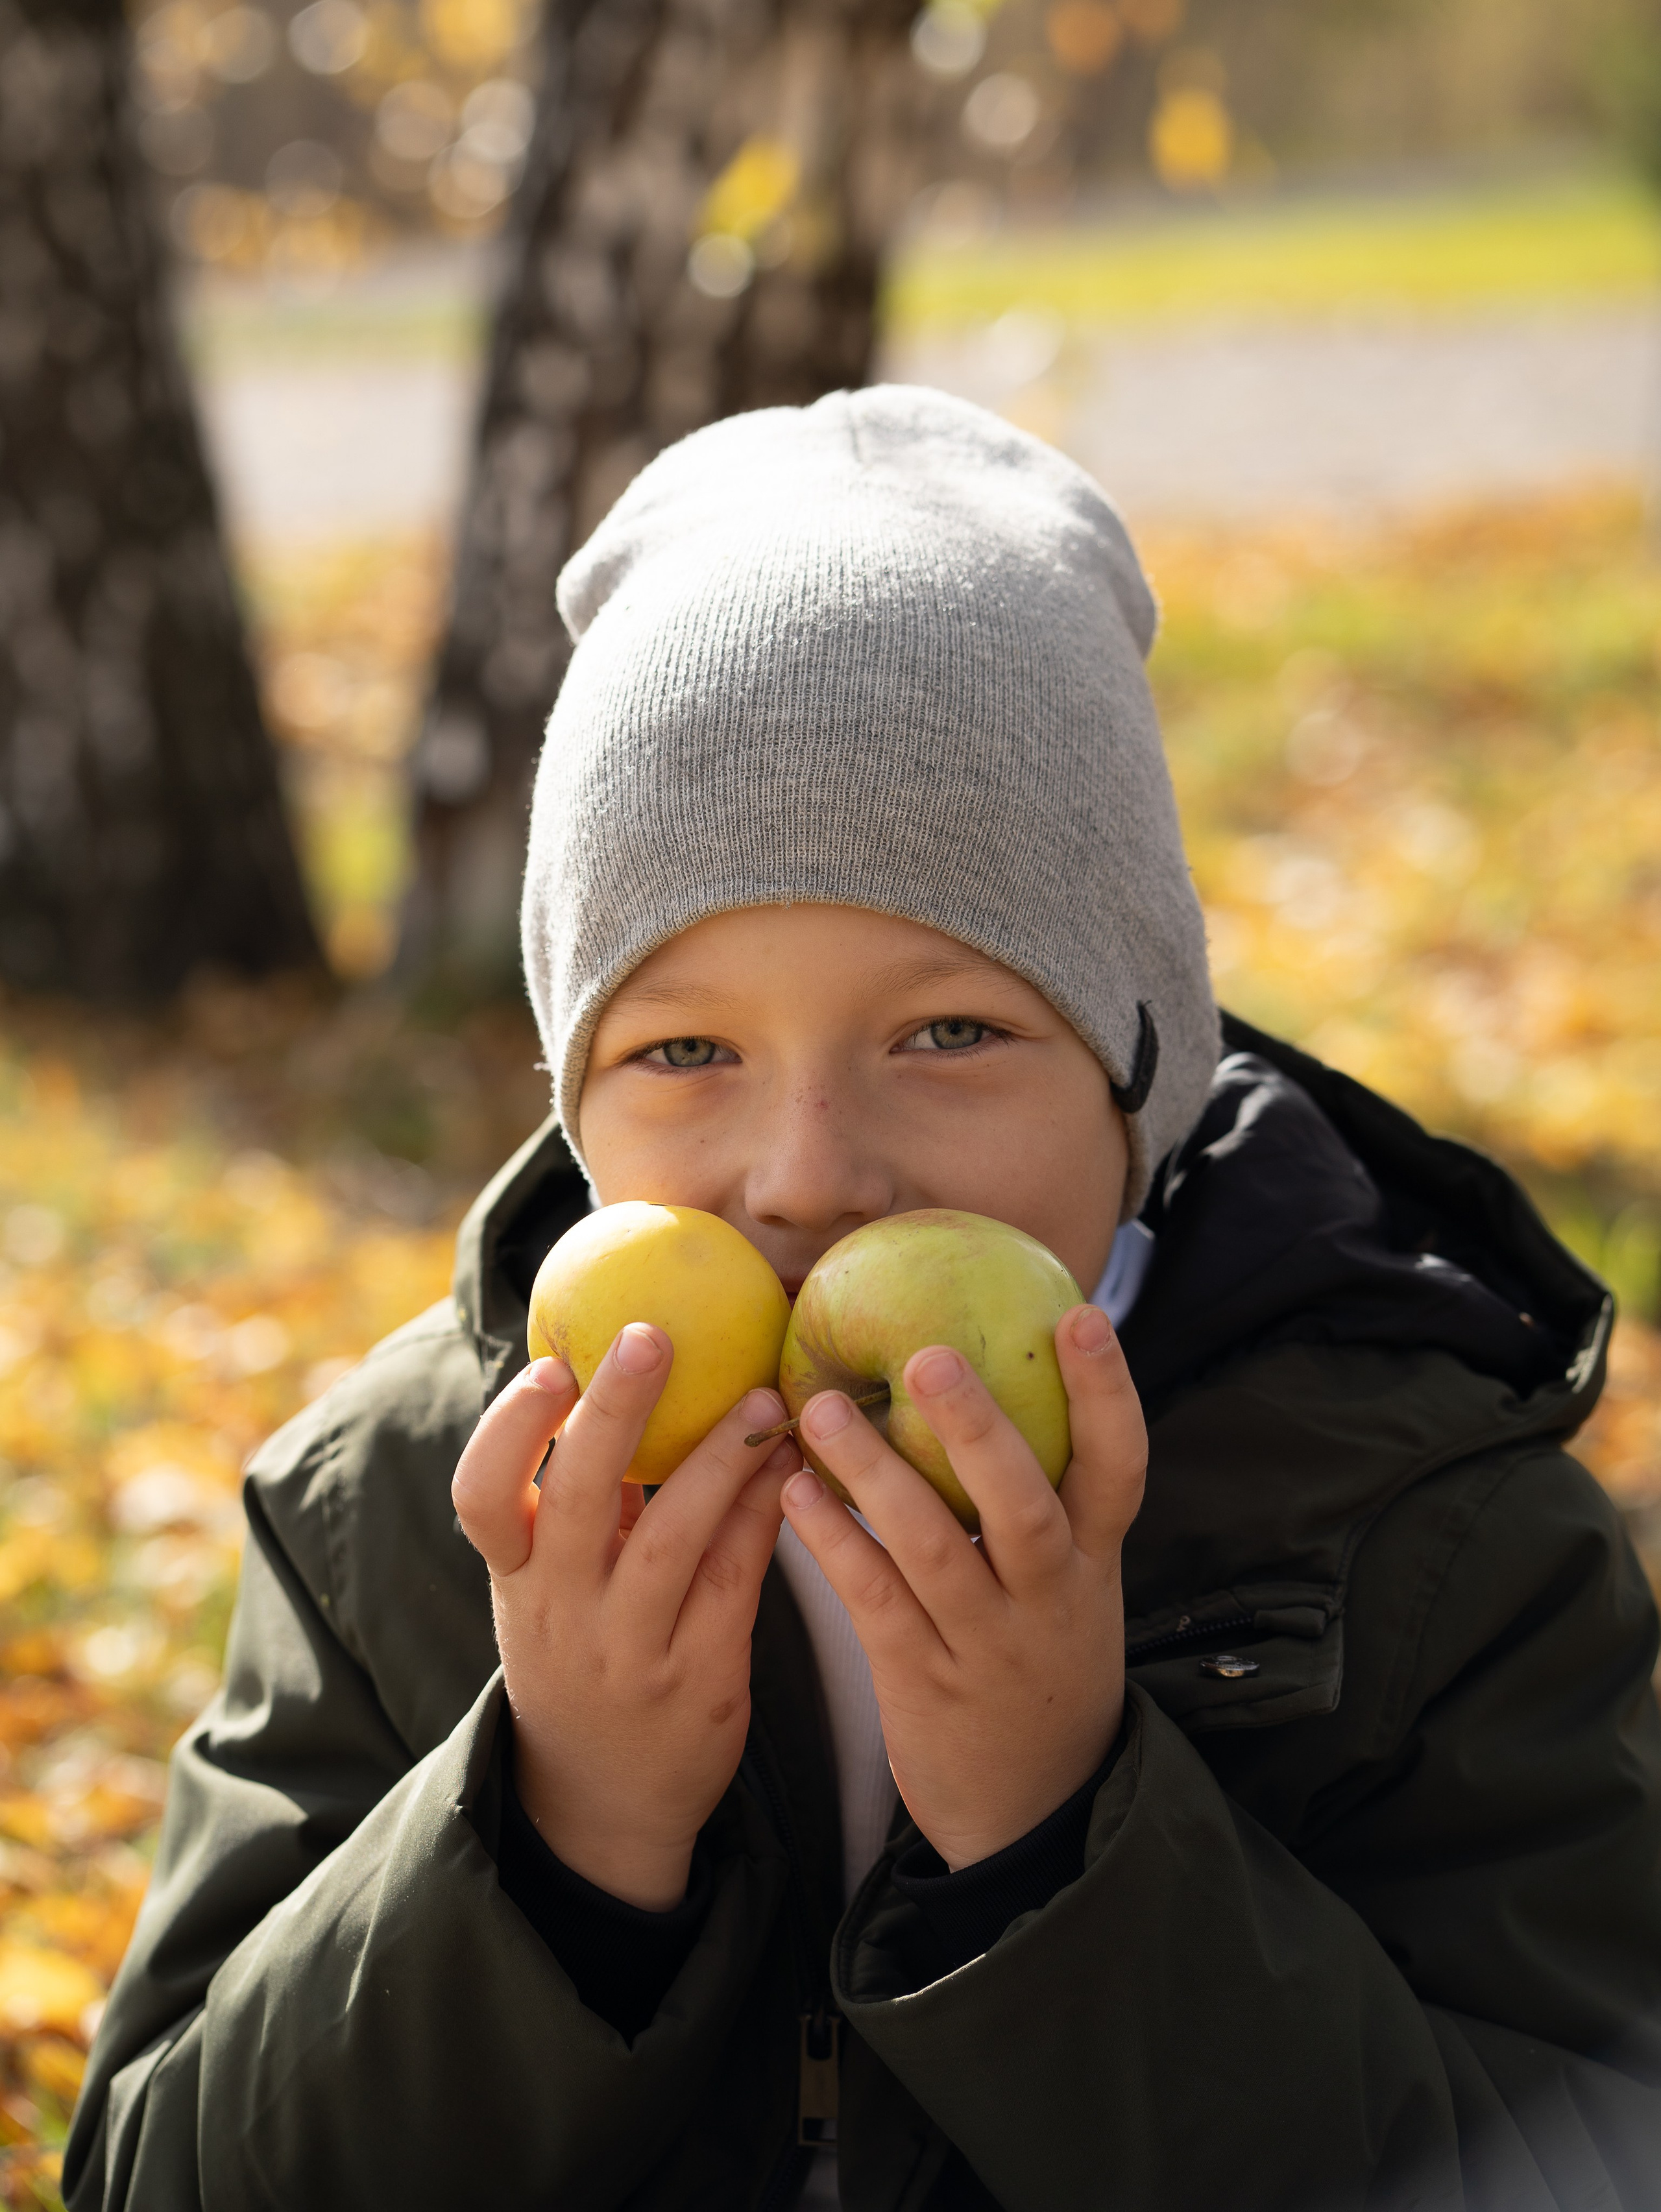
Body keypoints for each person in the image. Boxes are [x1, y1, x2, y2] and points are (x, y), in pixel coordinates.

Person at [65, 389, 1661, 2211]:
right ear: (575, 1099)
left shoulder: (1426, 1523)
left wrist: (1058, 1835)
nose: (810, 1169)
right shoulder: (407, 1517)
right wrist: (560, 1824)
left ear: (1141, 1075)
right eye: (685, 1048)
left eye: (951, 1031)